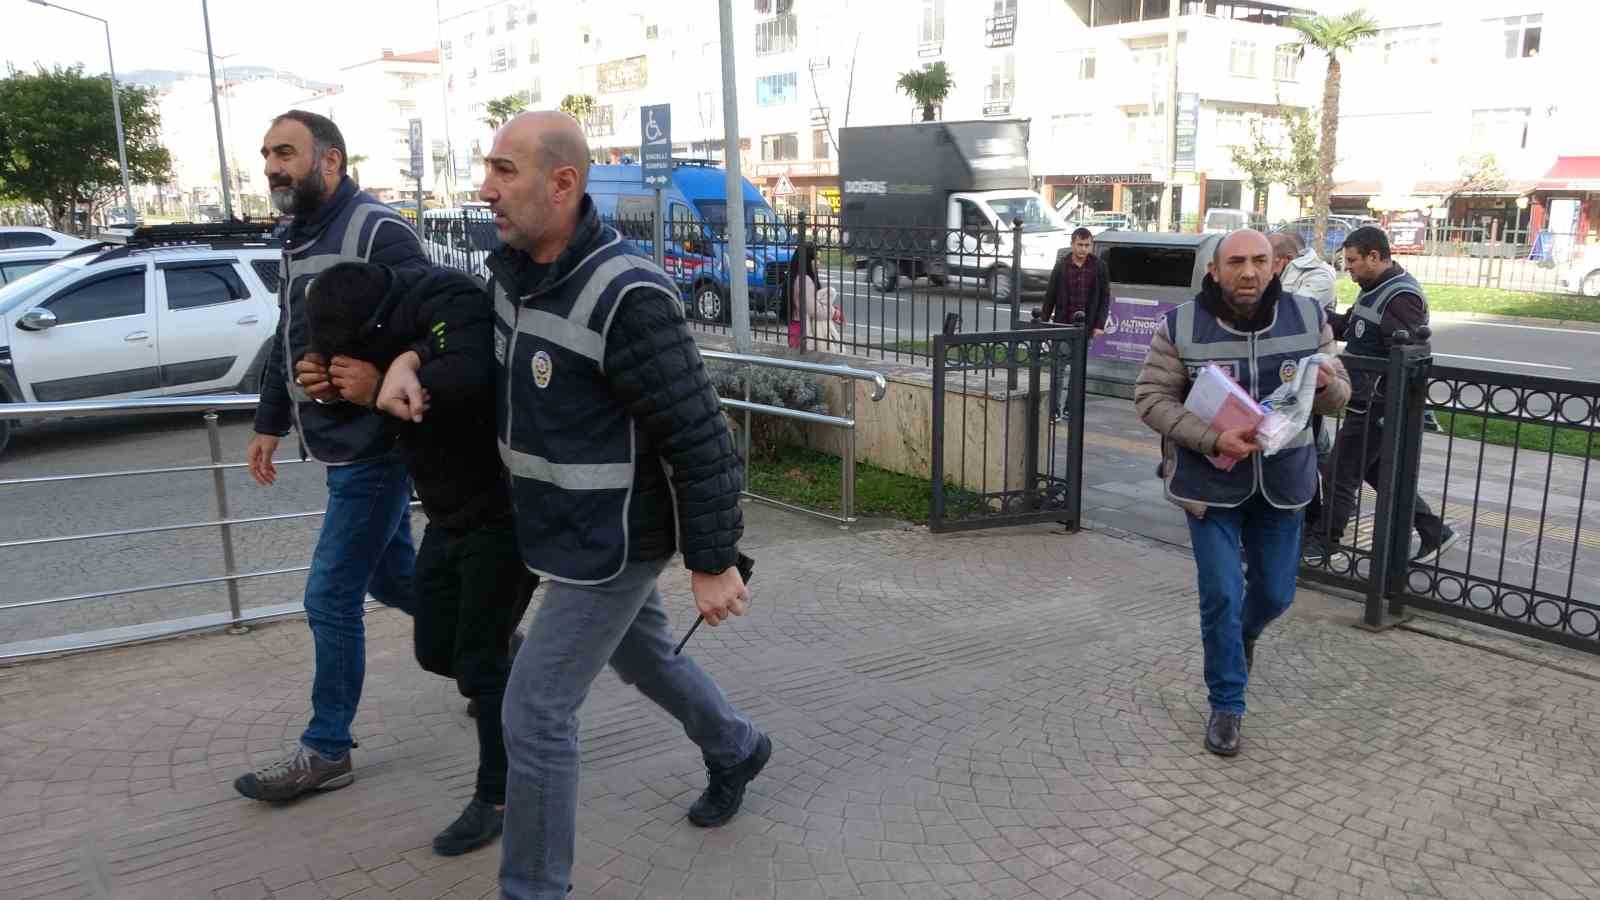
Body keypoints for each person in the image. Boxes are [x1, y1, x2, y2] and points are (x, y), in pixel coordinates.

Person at [381, 110, 769, 899]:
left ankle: (533, 889)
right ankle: (736, 745)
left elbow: (699, 433)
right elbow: (463, 336)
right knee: (643, 655)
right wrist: (410, 357)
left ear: (562, 183)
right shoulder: (512, 276)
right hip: (552, 530)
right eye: (488, 169)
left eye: (504, 171)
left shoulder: (628, 294)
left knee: (534, 711)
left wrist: (712, 559)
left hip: (613, 542)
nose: (485, 188)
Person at [305, 261, 534, 855]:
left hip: (504, 514)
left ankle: (500, 795)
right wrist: (331, 390)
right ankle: (524, 678)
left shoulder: (447, 297)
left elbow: (466, 377)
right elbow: (380, 410)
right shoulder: (378, 330)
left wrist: (387, 375)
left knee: (480, 667)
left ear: (374, 327)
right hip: (448, 515)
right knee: (437, 651)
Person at [234, 110, 427, 802]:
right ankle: (491, 643)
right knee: (396, 581)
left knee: (329, 595)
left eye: (285, 152)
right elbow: (291, 332)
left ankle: (327, 748)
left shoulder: (378, 230)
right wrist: (270, 421)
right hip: (338, 446)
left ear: (331, 160)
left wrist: (367, 370)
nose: (272, 167)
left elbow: (436, 324)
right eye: (267, 154)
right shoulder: (300, 235)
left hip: (375, 448)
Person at [1135, 229, 1350, 756]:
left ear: (1276, 265)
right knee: (1222, 594)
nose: (1249, 272)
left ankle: (1243, 635)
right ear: (1215, 270)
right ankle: (1227, 703)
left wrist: (1326, 386)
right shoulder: (1180, 325)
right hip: (1209, 485)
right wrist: (1212, 439)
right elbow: (1151, 398)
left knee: (1275, 594)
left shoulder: (1308, 317)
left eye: (1259, 260)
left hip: (1284, 481)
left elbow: (1341, 396)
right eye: (1236, 262)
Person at [1305, 226, 1458, 566]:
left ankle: (1324, 542)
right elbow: (1351, 329)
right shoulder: (1373, 289)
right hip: (1364, 401)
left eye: (1352, 261)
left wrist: (1390, 409)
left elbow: (1406, 357)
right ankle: (1433, 531)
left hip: (1377, 406)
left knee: (1340, 472)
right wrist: (1313, 313)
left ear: (1374, 256)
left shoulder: (1401, 296)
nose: (1348, 269)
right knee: (1379, 474)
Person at [1038, 227, 1110, 336]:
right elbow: (1050, 296)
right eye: (1080, 245)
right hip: (1063, 324)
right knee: (1062, 347)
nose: (1083, 249)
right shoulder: (1061, 265)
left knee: (1082, 348)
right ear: (1072, 244)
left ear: (1091, 246)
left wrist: (1099, 325)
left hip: (1087, 325)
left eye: (1087, 245)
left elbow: (1104, 298)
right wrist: (1043, 322)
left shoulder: (1099, 266)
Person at [1269, 230, 1338, 313]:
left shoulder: (1321, 275)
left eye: (1265, 260)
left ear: (1288, 258)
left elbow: (1293, 312)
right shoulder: (1279, 274)